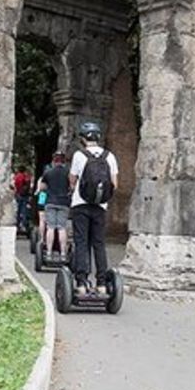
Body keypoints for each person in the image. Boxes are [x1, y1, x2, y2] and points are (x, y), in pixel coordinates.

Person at [69, 122, 118, 296]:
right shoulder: (109, 156)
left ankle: (82, 283)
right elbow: (114, 184)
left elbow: (72, 180)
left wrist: (76, 189)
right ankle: (102, 284)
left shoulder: (79, 155)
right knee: (99, 243)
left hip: (80, 205)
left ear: (83, 139)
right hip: (100, 206)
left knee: (81, 242)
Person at [38, 152, 73, 255]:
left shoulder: (48, 172)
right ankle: (63, 253)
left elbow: (42, 188)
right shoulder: (68, 172)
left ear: (54, 161)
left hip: (50, 202)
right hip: (64, 202)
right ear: (64, 161)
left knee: (51, 227)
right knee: (62, 228)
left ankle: (49, 251)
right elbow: (72, 187)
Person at [13, 165, 32, 235]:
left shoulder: (16, 177)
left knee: (18, 210)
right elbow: (28, 185)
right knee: (24, 210)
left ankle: (17, 224)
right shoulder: (25, 177)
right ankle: (24, 225)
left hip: (18, 194)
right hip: (24, 195)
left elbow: (15, 185)